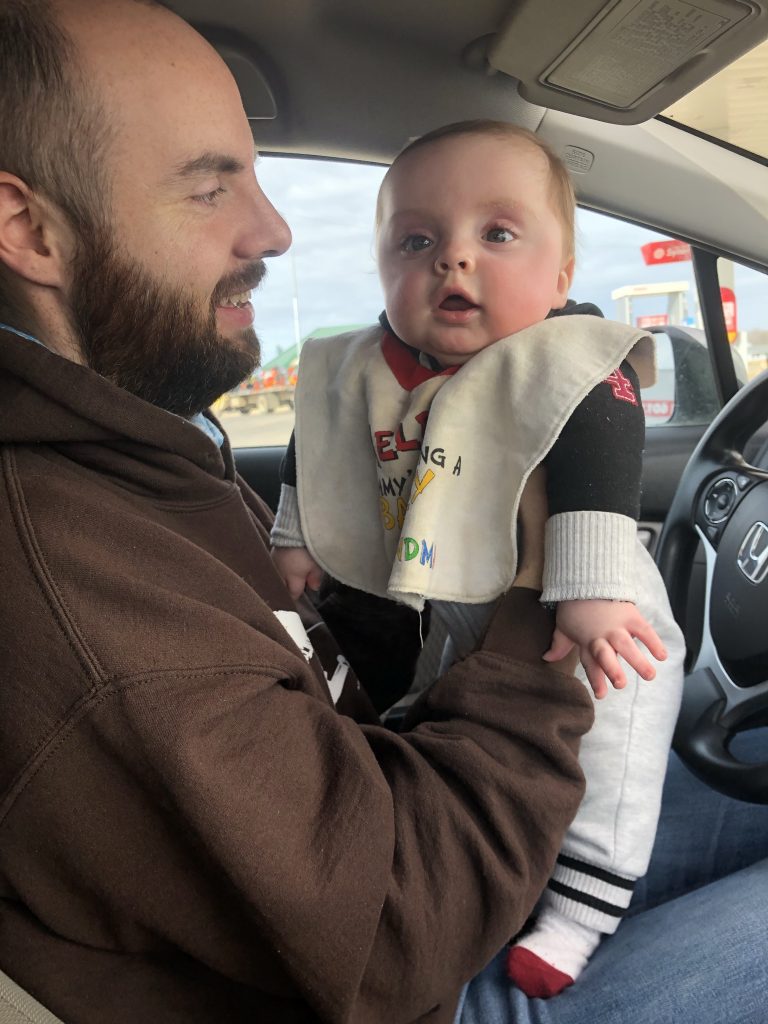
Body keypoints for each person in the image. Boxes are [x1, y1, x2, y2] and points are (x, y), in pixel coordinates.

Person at [0, 3, 766, 1024]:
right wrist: (537, 586)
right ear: (29, 231)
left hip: (424, 782)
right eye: (212, 185)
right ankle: (585, 905)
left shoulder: (140, 442)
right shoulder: (77, 594)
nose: (275, 231)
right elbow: (397, 934)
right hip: (429, 964)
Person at [270, 121, 686, 996]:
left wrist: (590, 588)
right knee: (437, 706)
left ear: (561, 276)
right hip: (446, 598)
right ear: (380, 264)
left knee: (616, 735)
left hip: (594, 606)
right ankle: (497, 851)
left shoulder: (568, 360)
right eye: (415, 241)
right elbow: (320, 440)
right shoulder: (359, 367)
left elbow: (602, 444)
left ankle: (586, 899)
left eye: (497, 234)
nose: (453, 259)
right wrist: (297, 535)